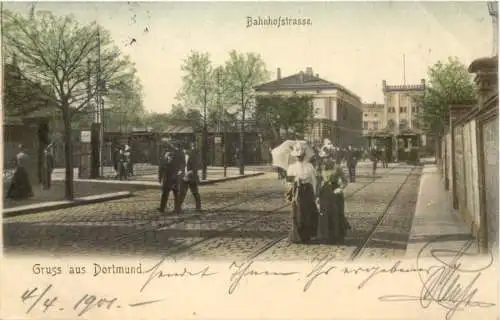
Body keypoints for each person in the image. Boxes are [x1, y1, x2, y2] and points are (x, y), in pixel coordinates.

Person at [285, 142, 319, 244]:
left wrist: (315, 193)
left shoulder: (309, 166)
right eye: (297, 156)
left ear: (304, 156)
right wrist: (294, 182)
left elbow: (314, 180)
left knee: (308, 212)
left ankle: (307, 234)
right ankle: (297, 235)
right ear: (295, 157)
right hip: (297, 191)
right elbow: (288, 181)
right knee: (298, 213)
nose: (299, 158)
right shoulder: (291, 167)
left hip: (307, 191)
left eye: (301, 156)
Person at [317, 159, 351, 244]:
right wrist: (317, 195)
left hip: (335, 192)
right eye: (324, 156)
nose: (326, 158)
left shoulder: (337, 167)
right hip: (324, 192)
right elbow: (318, 182)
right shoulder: (321, 167)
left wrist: (340, 188)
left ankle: (336, 235)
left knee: (335, 212)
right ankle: (326, 235)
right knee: (325, 213)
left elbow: (345, 180)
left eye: (328, 156)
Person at [179, 142, 202, 212]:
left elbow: (196, 166)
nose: (183, 151)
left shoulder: (193, 156)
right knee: (182, 193)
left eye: (184, 150)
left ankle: (198, 207)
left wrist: (191, 171)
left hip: (192, 177)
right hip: (184, 177)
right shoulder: (182, 156)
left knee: (195, 192)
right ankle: (178, 207)